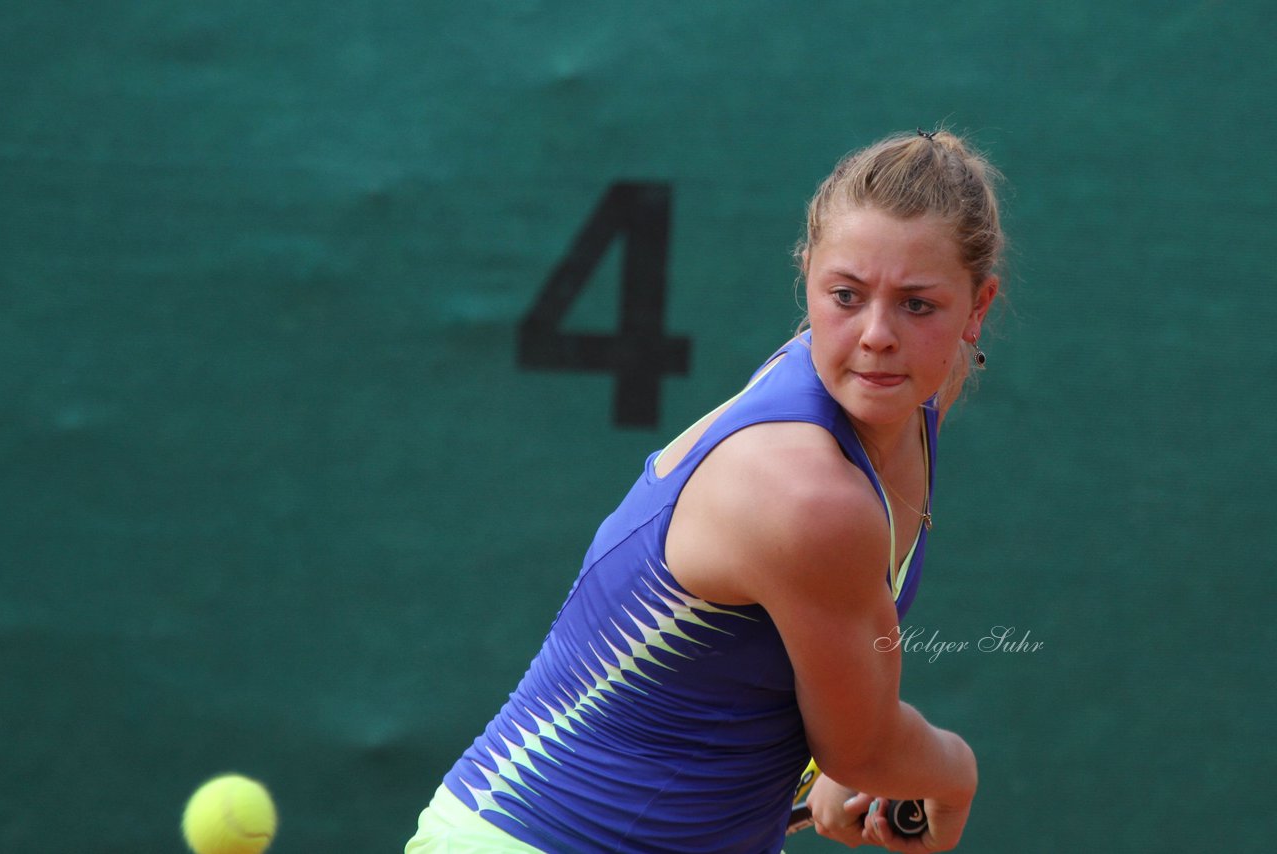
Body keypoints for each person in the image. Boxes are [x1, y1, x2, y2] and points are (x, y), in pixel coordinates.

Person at [405, 128, 1005, 853]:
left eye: (918, 305)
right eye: (845, 295)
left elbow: (817, 705)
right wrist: (955, 773)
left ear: (977, 307)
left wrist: (831, 759)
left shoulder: (899, 407)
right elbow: (864, 750)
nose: (876, 333)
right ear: (808, 277)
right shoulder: (809, 494)